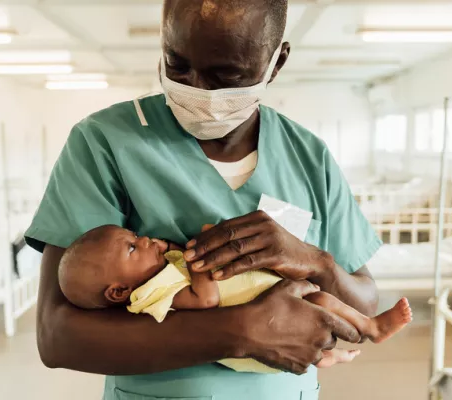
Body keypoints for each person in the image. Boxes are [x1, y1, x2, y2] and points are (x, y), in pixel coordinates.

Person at [25, 0, 385, 398]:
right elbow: (57, 336)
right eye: (177, 64)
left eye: (225, 75)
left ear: (276, 62)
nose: (195, 90)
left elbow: (365, 307)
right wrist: (242, 331)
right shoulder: (105, 142)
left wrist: (314, 261)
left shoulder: (308, 157)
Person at [57, 225, 412, 373]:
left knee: (318, 300)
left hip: (274, 300)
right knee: (315, 307)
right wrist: (198, 257)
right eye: (133, 247)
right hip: (256, 336)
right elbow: (206, 299)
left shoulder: (160, 271)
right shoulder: (153, 294)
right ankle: (356, 338)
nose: (147, 239)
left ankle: (365, 328)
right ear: (119, 291)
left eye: (136, 235)